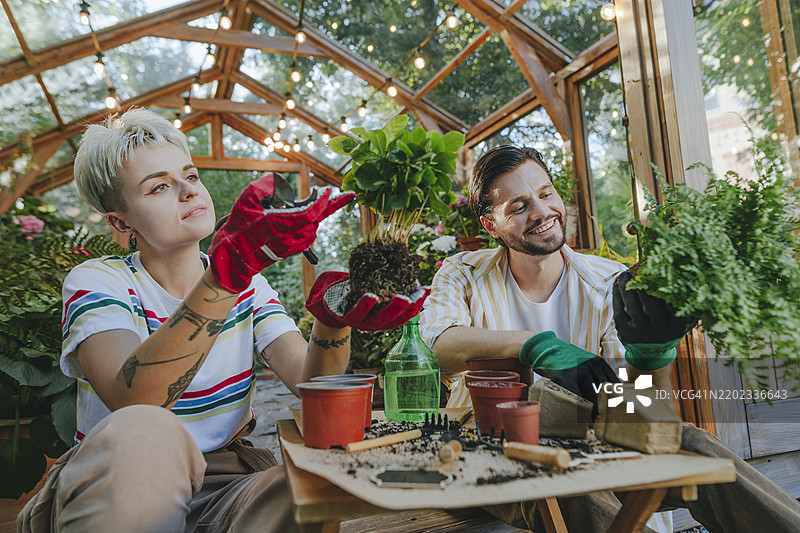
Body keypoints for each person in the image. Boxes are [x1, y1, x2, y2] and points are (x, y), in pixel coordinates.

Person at [18, 108, 426, 533]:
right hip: (121, 484)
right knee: (147, 428)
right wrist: (224, 279)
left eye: (191, 177)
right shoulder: (100, 280)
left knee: (311, 488)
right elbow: (136, 401)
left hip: (226, 484)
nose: (186, 191)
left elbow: (312, 386)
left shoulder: (247, 286)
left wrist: (331, 321)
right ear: (121, 222)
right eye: (159, 186)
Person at [420, 145, 800, 533]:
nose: (540, 212)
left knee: (695, 444)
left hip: (597, 440)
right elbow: (439, 347)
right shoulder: (462, 272)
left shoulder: (609, 283)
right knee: (561, 479)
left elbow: (638, 411)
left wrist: (649, 355)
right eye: (518, 207)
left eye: (545, 194)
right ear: (491, 226)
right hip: (494, 443)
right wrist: (533, 344)